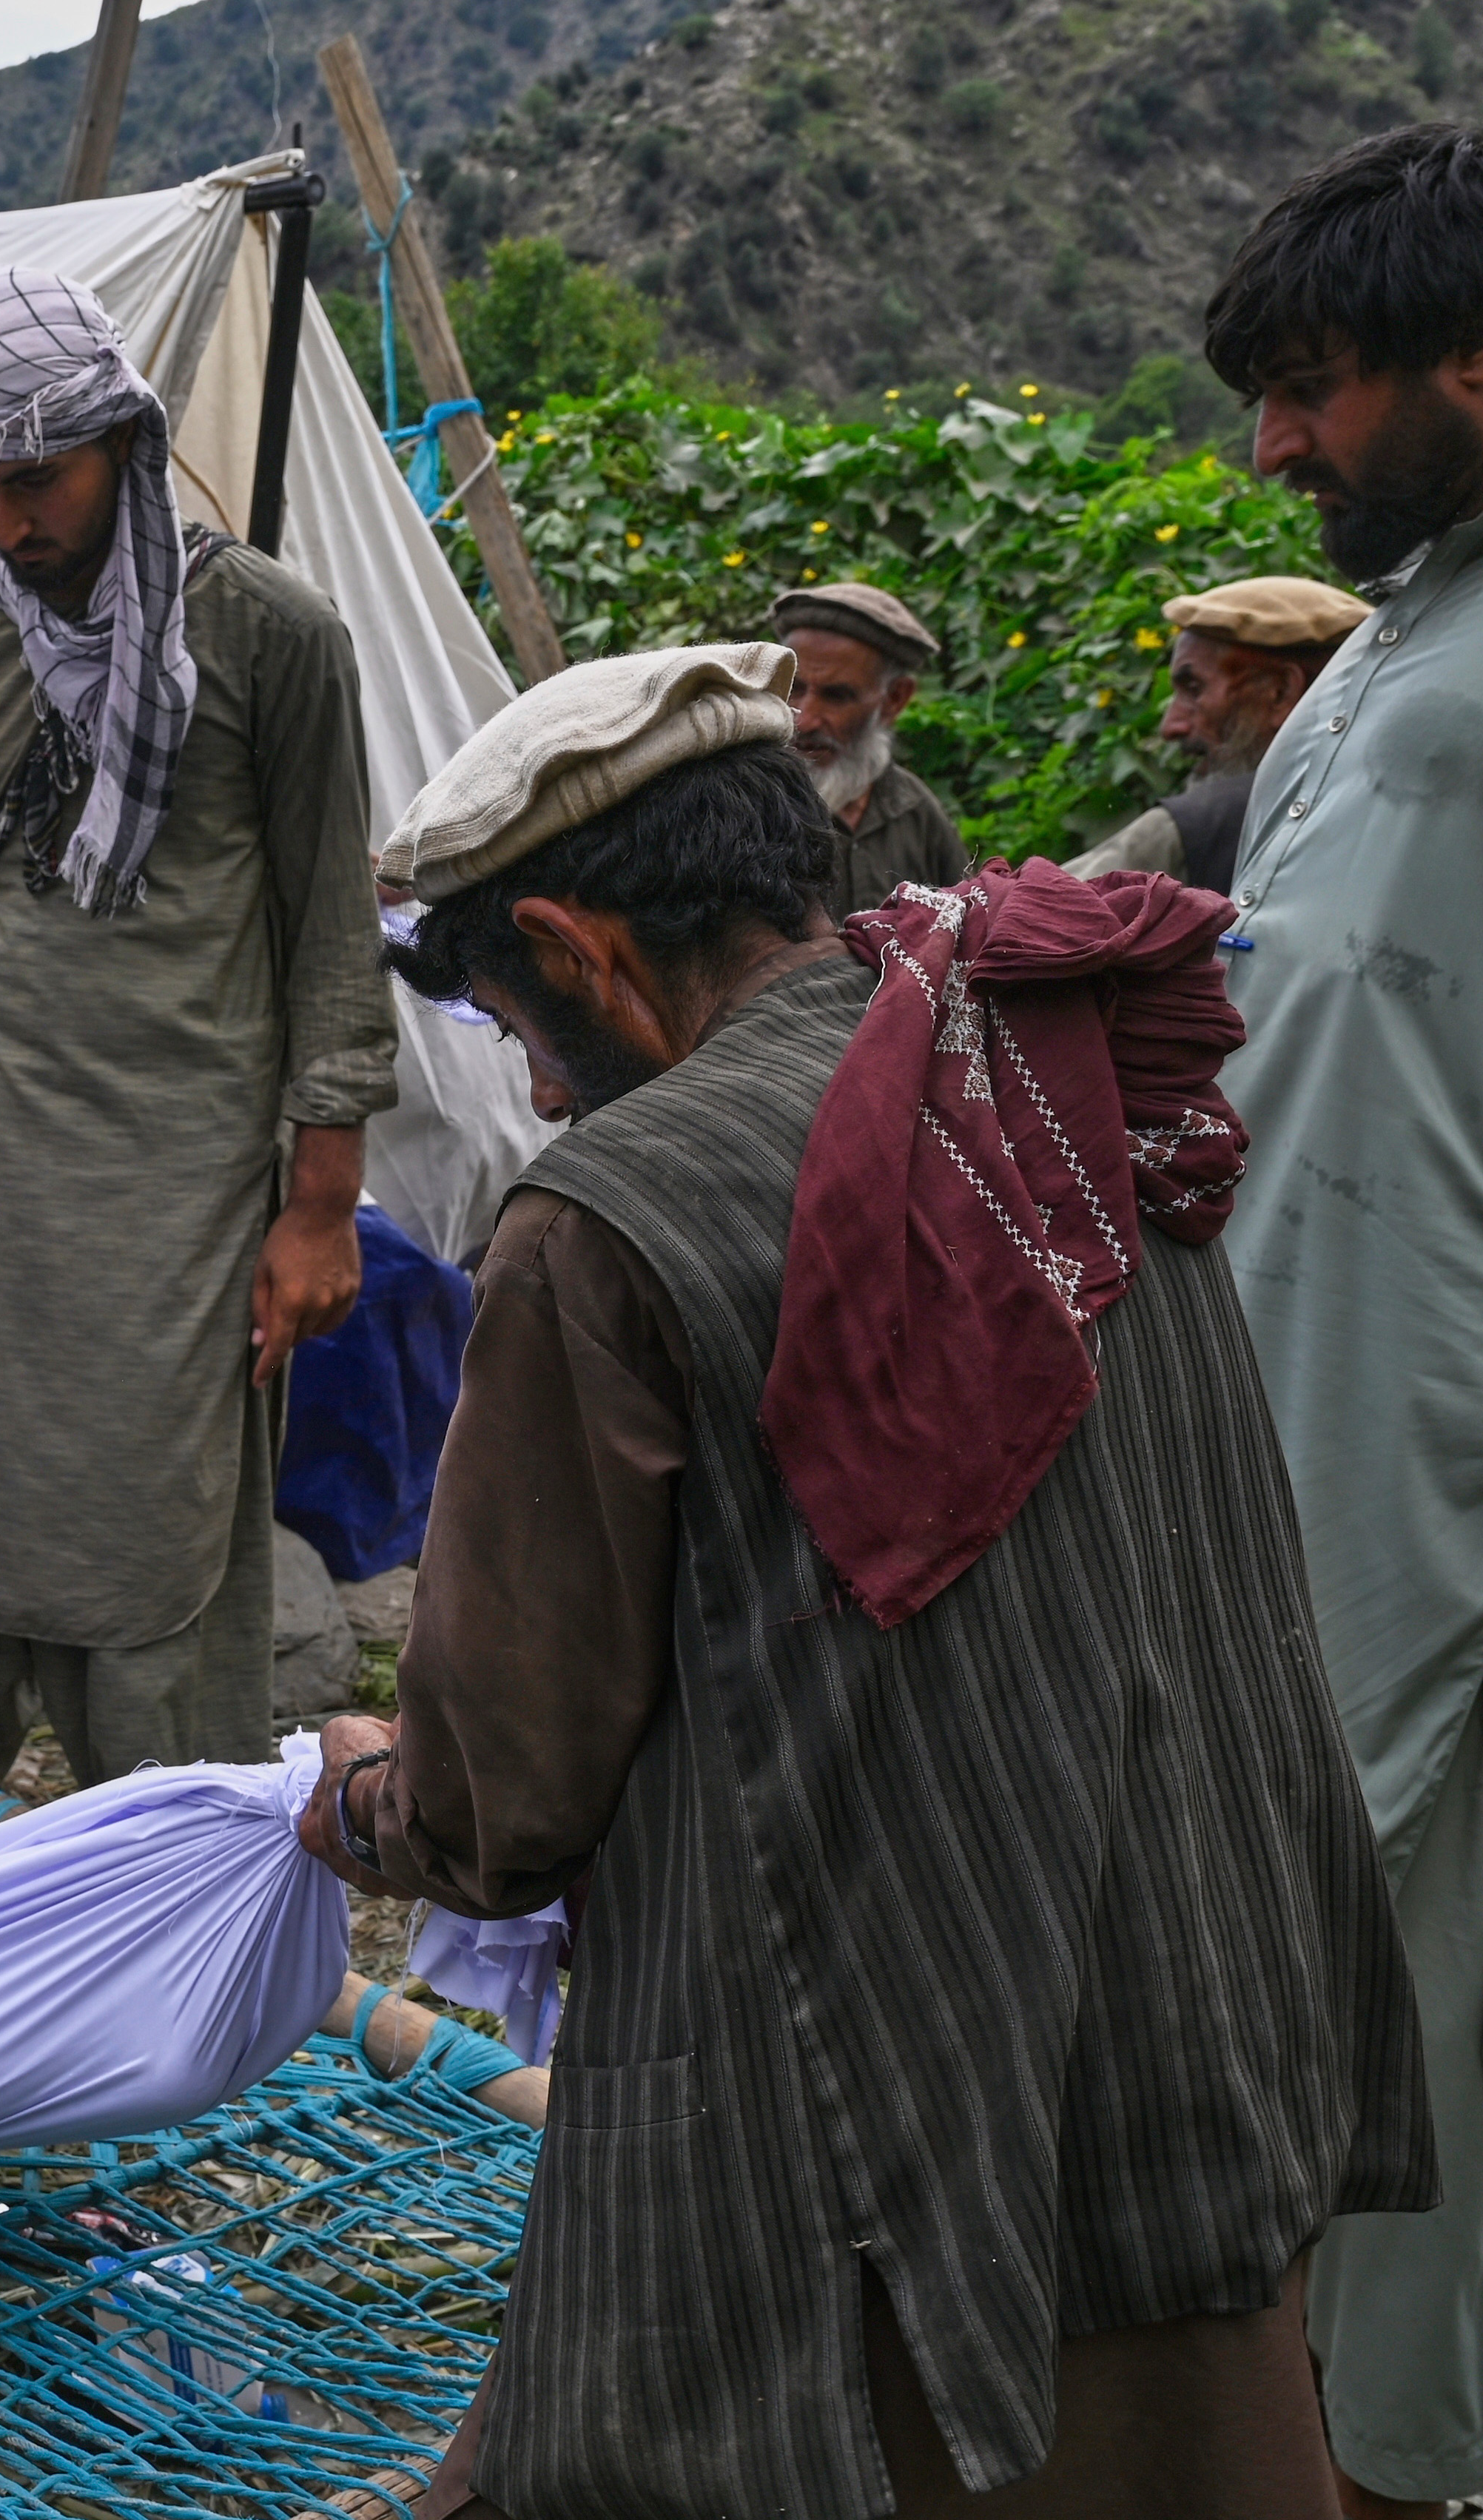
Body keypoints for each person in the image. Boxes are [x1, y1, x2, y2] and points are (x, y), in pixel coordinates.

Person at [301, 641, 1432, 2520]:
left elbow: (508, 1786)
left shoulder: (605, 1220)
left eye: (515, 1017)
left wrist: (365, 1793)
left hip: (905, 2092)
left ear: (582, 953)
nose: (531, 1077)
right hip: (1213, 1991)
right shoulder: (1052, 1071)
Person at [0, 270, 395, 1788]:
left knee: (156, 1538)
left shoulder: (269, 636)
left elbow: (335, 923)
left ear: (122, 438)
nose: (9, 518)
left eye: (37, 476)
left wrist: (321, 1200)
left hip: (180, 1188)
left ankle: (160, 1889)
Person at [1200, 120, 1483, 2520]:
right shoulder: (1397, 645)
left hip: (1417, 1558)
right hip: (1301, 1505)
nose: (1274, 446)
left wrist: (1355, 1680)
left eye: (1316, 386)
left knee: (1418, 2151)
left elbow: (1406, 1243)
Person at [1061, 576, 1366, 889]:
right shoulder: (1399, 810)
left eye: (1194, 689)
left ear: (1280, 692)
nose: (1171, 727)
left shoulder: (1192, 831)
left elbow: (1035, 921)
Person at [770, 580, 969, 921]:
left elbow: (968, 929)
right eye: (793, 689)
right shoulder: (743, 809)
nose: (804, 719)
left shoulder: (914, 811)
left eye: (836, 696)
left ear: (894, 699)